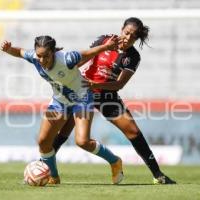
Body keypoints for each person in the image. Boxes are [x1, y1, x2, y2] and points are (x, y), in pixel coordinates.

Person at [53, 17, 177, 184]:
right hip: (83, 92)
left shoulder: (133, 57)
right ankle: (44, 168)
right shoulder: (104, 40)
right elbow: (83, 60)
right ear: (121, 29)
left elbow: (119, 84)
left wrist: (94, 84)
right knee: (64, 131)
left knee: (133, 131)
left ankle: (158, 175)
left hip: (106, 95)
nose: (128, 38)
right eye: (126, 33)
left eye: (133, 37)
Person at [1, 35, 124, 185]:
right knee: (43, 141)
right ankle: (54, 177)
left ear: (53, 52)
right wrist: (8, 50)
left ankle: (115, 161)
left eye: (46, 56)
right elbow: (20, 51)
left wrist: (106, 47)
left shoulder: (67, 59)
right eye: (39, 56)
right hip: (60, 101)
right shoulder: (34, 57)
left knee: (82, 141)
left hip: (82, 99)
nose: (41, 60)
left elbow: (88, 53)